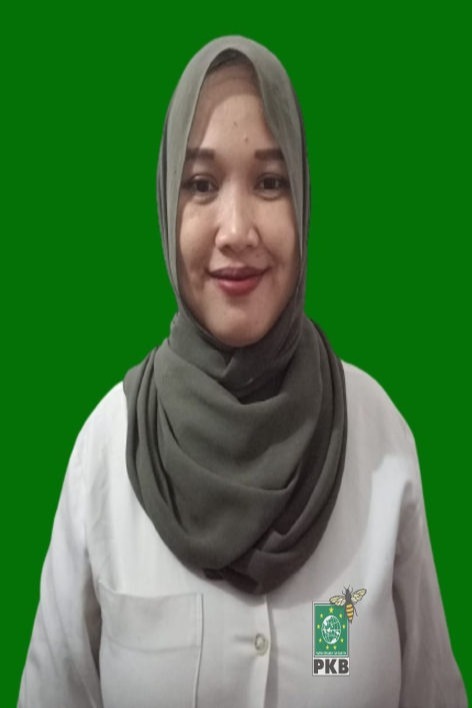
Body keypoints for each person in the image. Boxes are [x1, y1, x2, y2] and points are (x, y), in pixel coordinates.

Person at [18, 36, 467, 708]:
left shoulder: (377, 436)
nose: (236, 230)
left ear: (303, 198)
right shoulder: (109, 450)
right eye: (201, 185)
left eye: (269, 182)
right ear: (167, 203)